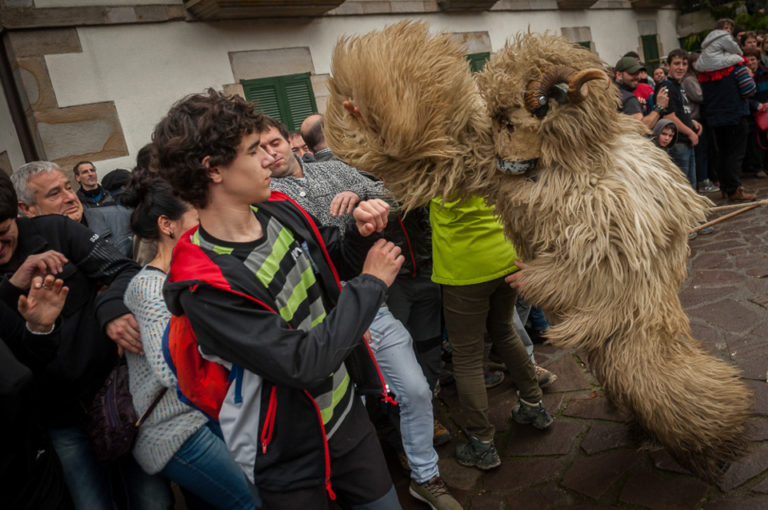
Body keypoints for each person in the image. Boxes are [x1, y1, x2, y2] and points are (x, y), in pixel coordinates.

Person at [154, 89, 404, 509]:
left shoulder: (279, 208)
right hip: (288, 457)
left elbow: (333, 262)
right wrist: (371, 283)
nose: (272, 158)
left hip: (347, 418)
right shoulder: (205, 284)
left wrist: (359, 235)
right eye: (254, 151)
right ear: (213, 170)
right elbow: (301, 362)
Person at [261, 116, 462, 509]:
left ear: (290, 140)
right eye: (259, 149)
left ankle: (425, 476)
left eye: (275, 143)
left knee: (416, 390)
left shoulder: (334, 170)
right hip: (315, 322)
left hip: (372, 305)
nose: (270, 154)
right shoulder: (265, 199)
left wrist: (365, 198)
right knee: (345, 414)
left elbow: (392, 194)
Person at [2, 166, 173, 509]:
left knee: (153, 501)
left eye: (2, 232)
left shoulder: (57, 230)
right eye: (54, 192)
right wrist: (12, 293)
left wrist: (110, 310)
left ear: (15, 216)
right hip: (59, 420)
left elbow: (124, 269)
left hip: (115, 399)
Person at [120, 174, 256, 510]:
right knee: (250, 502)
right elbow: (171, 370)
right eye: (197, 215)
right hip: (174, 428)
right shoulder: (148, 288)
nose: (206, 222)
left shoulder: (194, 270)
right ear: (167, 225)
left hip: (211, 414)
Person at [431, 195, 553, 471]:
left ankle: (482, 443)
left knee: (467, 356)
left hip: (464, 269)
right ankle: (534, 406)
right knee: (505, 331)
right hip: (505, 256)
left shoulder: (434, 169)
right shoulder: (492, 163)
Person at [697, 31, 758, 200]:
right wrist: (750, 77)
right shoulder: (736, 67)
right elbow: (749, 90)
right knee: (735, 154)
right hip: (735, 115)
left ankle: (725, 187)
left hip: (715, 118)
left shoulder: (705, 72)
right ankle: (734, 190)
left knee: (722, 153)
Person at [658, 49, 703, 189]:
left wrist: (691, 122)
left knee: (692, 185)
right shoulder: (667, 86)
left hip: (685, 141)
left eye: (684, 64)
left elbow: (679, 111)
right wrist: (690, 132)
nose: (681, 67)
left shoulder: (679, 85)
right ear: (668, 66)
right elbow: (669, 116)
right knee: (684, 187)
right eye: (676, 63)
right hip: (677, 143)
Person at [614, 56, 669, 129]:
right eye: (632, 73)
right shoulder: (628, 98)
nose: (638, 77)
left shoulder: (609, 91)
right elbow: (641, 128)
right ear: (619, 75)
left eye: (638, 73)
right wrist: (659, 107)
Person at [743, 47, 768, 178]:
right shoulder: (743, 75)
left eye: (753, 59)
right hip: (751, 114)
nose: (750, 63)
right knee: (755, 142)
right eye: (747, 60)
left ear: (758, 60)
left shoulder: (766, 73)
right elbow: (745, 95)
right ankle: (757, 167)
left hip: (766, 111)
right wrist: (756, 104)